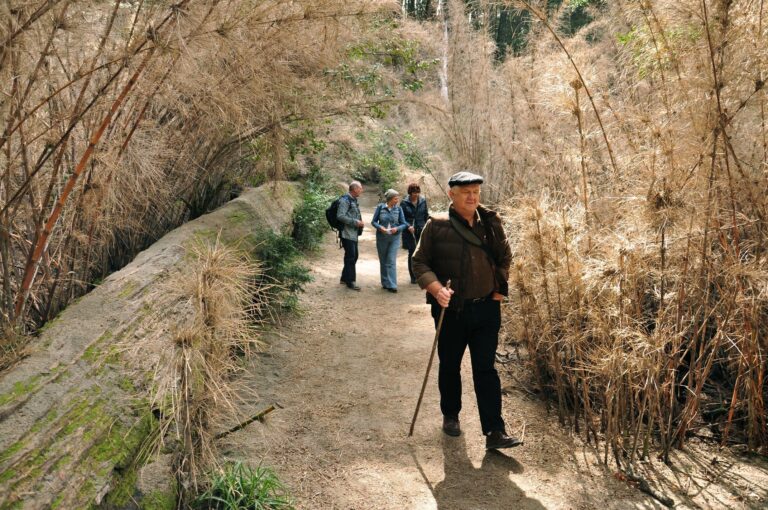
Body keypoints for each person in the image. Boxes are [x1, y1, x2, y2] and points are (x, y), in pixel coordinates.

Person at [412, 171, 521, 450]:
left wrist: (499, 289)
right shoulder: (436, 226)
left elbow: (505, 256)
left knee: (485, 369)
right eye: (466, 192)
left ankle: (495, 431)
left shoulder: (490, 223)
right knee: (449, 365)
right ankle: (451, 415)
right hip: (451, 311)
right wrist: (436, 289)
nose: (472, 197)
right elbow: (419, 263)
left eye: (476, 192)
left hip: (486, 309)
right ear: (452, 195)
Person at [371, 188, 407, 293]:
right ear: (390, 199)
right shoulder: (380, 208)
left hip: (394, 238)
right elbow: (373, 222)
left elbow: (404, 223)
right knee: (383, 261)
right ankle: (385, 283)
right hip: (382, 238)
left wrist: (397, 228)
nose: (397, 200)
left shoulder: (399, 209)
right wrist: (380, 227)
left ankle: (392, 285)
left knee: (391, 260)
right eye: (396, 198)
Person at [336, 181, 365, 291]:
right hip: (346, 233)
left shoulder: (353, 200)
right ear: (355, 189)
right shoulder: (345, 200)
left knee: (352, 256)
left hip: (352, 233)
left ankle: (344, 278)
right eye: (360, 188)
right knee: (351, 256)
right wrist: (356, 222)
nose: (362, 190)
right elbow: (340, 216)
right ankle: (351, 281)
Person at [401, 182, 429, 284]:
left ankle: (420, 275)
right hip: (409, 231)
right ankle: (413, 277)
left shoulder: (423, 201)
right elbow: (401, 218)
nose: (416, 195)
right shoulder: (404, 203)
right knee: (412, 253)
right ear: (410, 193)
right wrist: (408, 226)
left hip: (421, 229)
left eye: (417, 192)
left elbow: (426, 215)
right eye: (414, 193)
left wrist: (427, 226)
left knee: (421, 253)